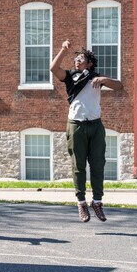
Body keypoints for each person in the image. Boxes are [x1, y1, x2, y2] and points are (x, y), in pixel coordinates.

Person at [50, 40, 123, 223]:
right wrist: (63, 50)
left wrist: (104, 80)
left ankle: (97, 202)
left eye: (81, 59)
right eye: (76, 60)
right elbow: (53, 68)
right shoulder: (70, 76)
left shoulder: (96, 78)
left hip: (95, 126)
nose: (77, 62)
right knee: (78, 165)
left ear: (89, 63)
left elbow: (119, 85)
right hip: (76, 125)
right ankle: (81, 202)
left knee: (98, 164)